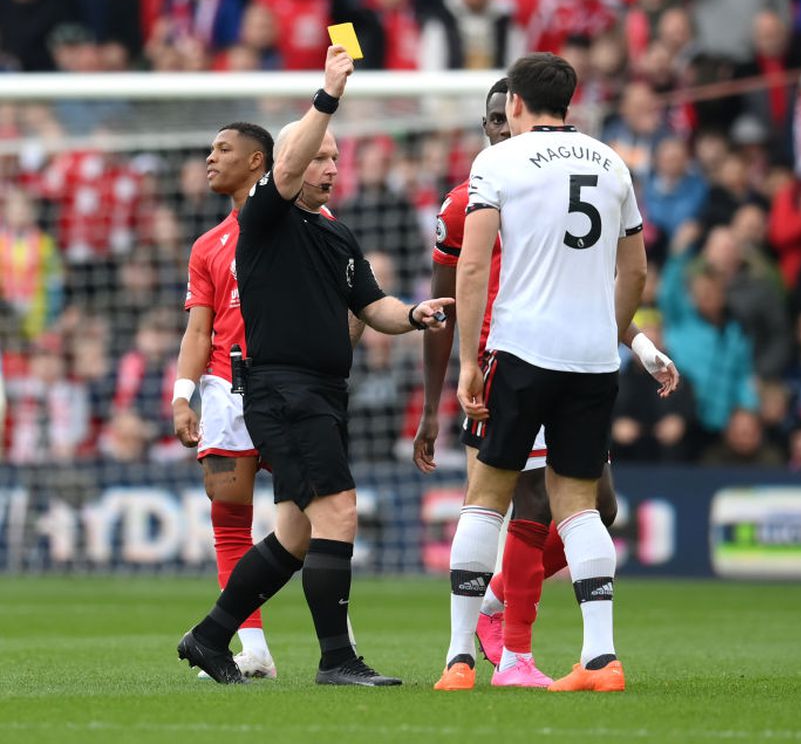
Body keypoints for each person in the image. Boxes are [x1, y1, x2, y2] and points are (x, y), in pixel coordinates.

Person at [177, 45, 451, 686]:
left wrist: (414, 316)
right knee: (339, 511)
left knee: (295, 534)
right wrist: (329, 93)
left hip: (325, 391)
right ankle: (337, 660)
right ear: (285, 168)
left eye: (334, 159)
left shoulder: (336, 234)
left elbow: (373, 305)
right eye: (318, 157)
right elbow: (292, 156)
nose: (327, 167)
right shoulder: (265, 219)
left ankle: (211, 637)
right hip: (282, 389)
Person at [416, 76, 676, 689]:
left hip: (520, 351)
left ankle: (461, 657)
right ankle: (598, 658)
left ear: (514, 105)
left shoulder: (498, 163)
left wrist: (473, 362)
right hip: (589, 360)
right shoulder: (612, 160)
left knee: (488, 497)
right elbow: (633, 269)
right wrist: (612, 336)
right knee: (580, 507)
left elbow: (472, 268)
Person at [171, 121, 277, 680]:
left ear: (257, 161)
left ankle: (342, 645)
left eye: (222, 149)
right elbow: (197, 332)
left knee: (318, 515)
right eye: (209, 148)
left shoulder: (299, 224)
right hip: (225, 391)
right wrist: (182, 396)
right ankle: (253, 646)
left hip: (289, 387)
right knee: (230, 520)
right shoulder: (207, 245)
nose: (210, 157)